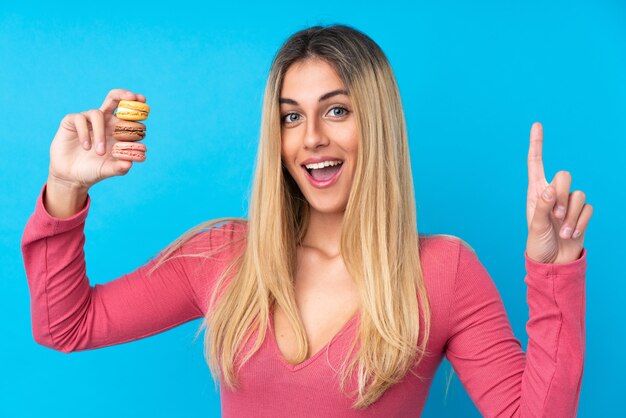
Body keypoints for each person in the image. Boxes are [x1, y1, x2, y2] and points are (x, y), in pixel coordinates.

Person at [21, 25, 593, 417]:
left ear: (378, 123)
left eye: (337, 110)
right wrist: (65, 188)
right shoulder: (223, 255)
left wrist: (553, 272)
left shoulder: (444, 272)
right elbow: (65, 326)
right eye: (291, 116)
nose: (312, 137)